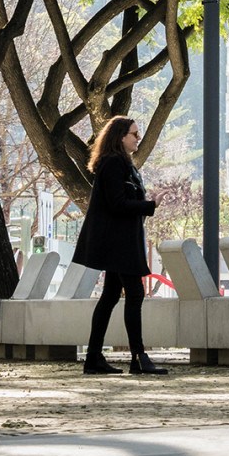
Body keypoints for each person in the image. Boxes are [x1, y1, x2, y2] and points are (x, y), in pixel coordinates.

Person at [71, 114, 165, 376]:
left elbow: (121, 201)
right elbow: (117, 203)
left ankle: (94, 358)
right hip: (118, 243)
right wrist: (151, 205)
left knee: (111, 296)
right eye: (134, 134)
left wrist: (147, 202)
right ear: (120, 137)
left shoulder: (122, 163)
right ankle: (138, 358)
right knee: (134, 294)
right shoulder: (113, 164)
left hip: (120, 241)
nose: (138, 138)